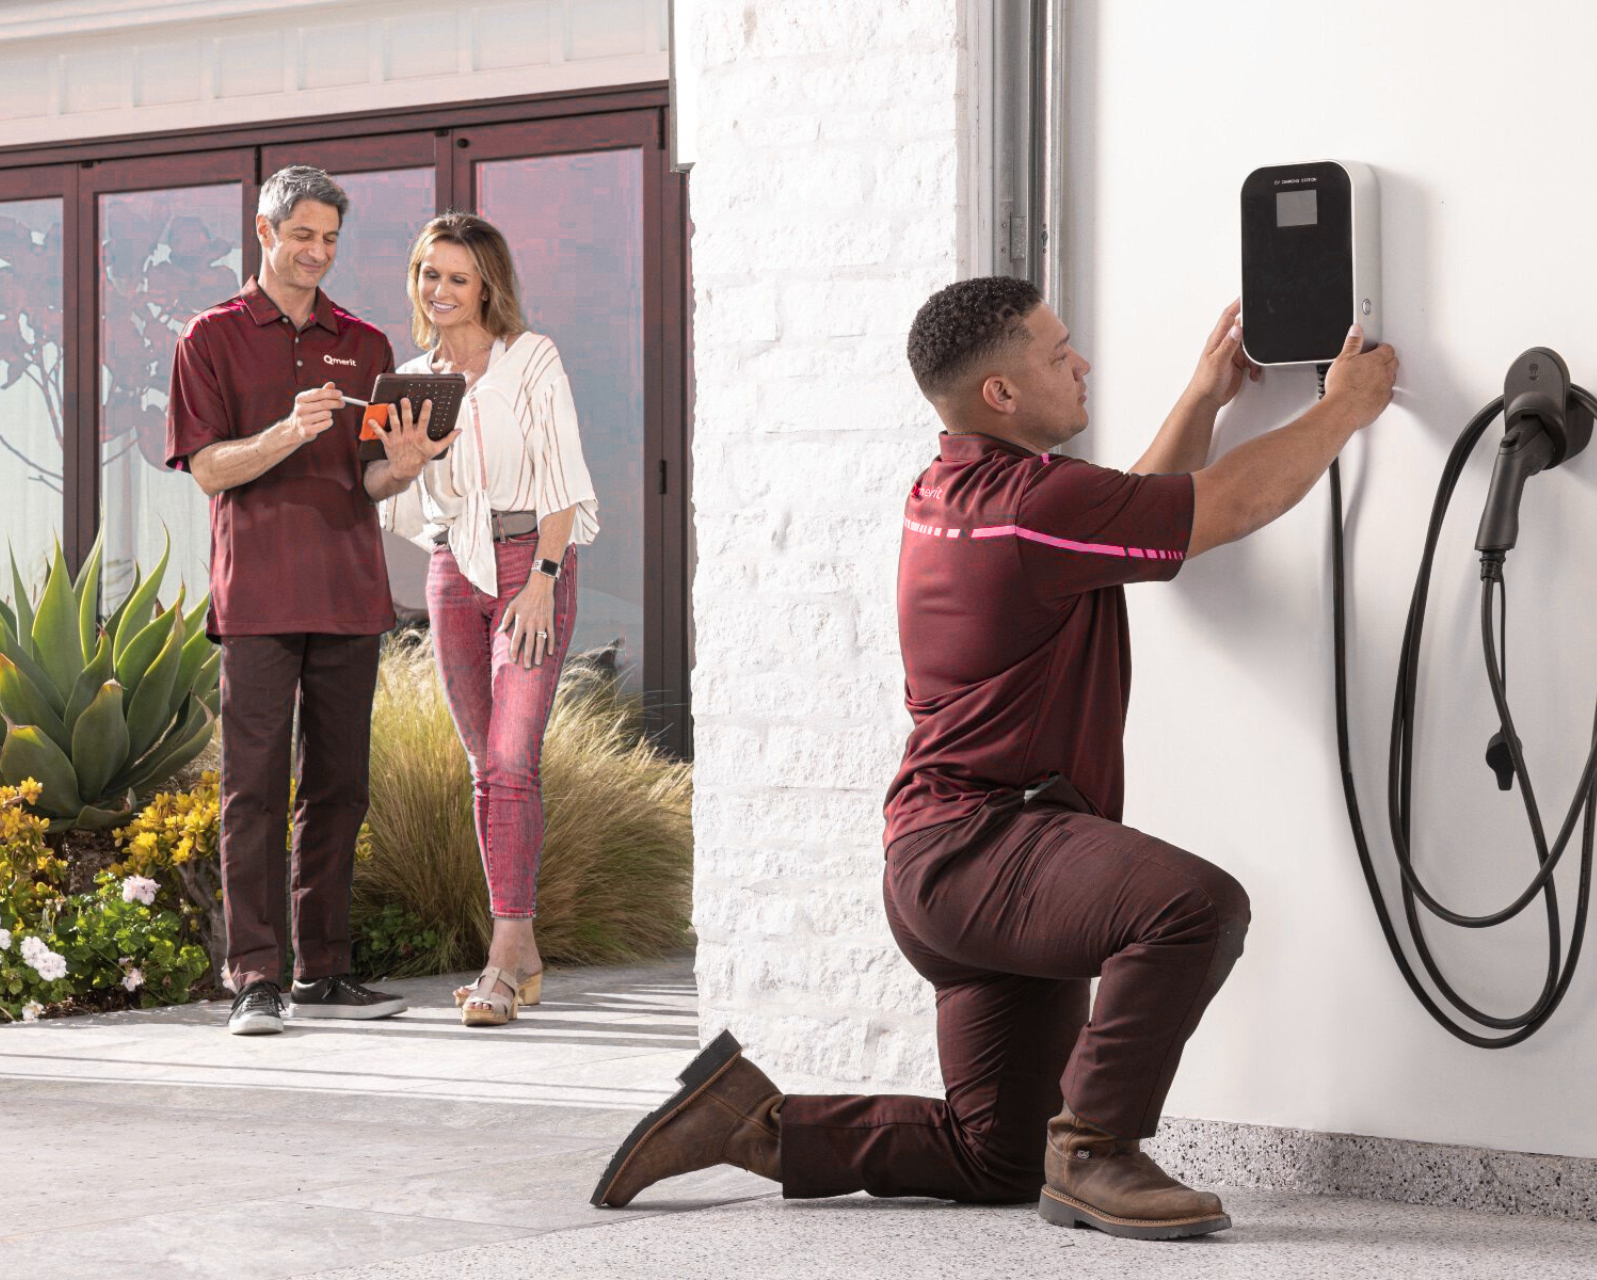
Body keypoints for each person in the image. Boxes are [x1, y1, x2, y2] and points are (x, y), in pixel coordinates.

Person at [589, 278, 1398, 1240]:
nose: (1081, 363)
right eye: (1059, 353)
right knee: (1193, 907)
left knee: (999, 1158)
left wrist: (1201, 399)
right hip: (991, 850)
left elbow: (1138, 517)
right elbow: (1215, 508)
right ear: (1002, 394)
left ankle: (754, 1125)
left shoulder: (960, 492)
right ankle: (1096, 1153)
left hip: (943, 869)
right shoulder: (1032, 505)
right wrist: (1344, 408)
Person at [167, 165, 455, 1036]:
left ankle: (324, 972)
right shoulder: (209, 338)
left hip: (348, 595)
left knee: (338, 790)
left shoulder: (364, 343)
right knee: (252, 793)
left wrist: (403, 466)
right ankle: (256, 977)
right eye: (303, 236)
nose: (317, 252)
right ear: (265, 232)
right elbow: (208, 469)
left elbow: (369, 480)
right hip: (256, 597)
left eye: (330, 239)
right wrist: (287, 431)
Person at [378, 213, 599, 1027]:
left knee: (511, 758)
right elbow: (391, 494)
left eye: (457, 278)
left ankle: (503, 961)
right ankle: (524, 953)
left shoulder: (531, 359)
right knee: (487, 767)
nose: (439, 290)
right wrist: (399, 463)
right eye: (428, 274)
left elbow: (562, 477)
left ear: (486, 287)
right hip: (451, 570)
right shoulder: (410, 380)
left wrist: (543, 579)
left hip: (529, 565)